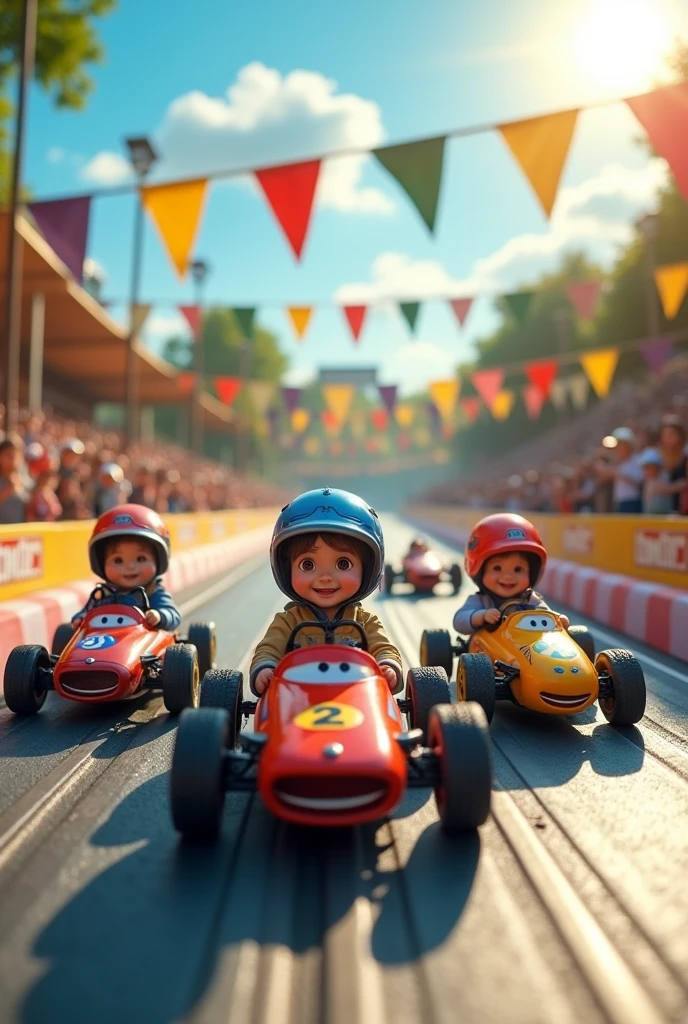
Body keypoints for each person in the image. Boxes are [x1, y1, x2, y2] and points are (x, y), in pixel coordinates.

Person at [250, 487, 402, 695]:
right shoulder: (288, 621)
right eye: (308, 565)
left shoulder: (365, 621)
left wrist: (388, 666)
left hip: (355, 695)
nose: (325, 577)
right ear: (286, 569)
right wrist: (265, 668)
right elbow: (268, 649)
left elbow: (384, 648)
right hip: (298, 696)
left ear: (367, 569)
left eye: (342, 564)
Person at [454, 512, 569, 634]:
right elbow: (459, 621)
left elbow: (546, 613)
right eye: (497, 568)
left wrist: (558, 619)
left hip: (524, 649)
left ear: (532, 572)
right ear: (479, 570)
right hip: (488, 650)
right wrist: (481, 616)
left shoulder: (530, 600)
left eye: (518, 569)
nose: (508, 576)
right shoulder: (480, 601)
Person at [71, 504, 181, 631]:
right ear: (101, 563)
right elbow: (85, 613)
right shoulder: (102, 595)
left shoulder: (154, 593)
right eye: (118, 560)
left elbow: (173, 615)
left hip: (142, 645)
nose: (129, 567)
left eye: (141, 559)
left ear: (158, 560)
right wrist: (80, 619)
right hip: (104, 643)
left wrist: (160, 616)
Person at [0, 438, 27, 524]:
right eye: (9, 455)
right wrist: (10, 489)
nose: (13, 458)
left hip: (19, 534)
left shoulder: (26, 479)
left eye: (16, 454)